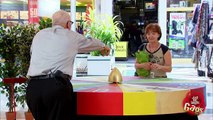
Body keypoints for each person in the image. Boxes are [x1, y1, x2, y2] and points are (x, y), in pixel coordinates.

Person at [26, 10, 110, 120]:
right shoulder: (71, 36)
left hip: (33, 89)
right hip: (55, 88)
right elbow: (91, 42)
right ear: (68, 24)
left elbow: (33, 53)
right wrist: (104, 46)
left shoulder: (39, 35)